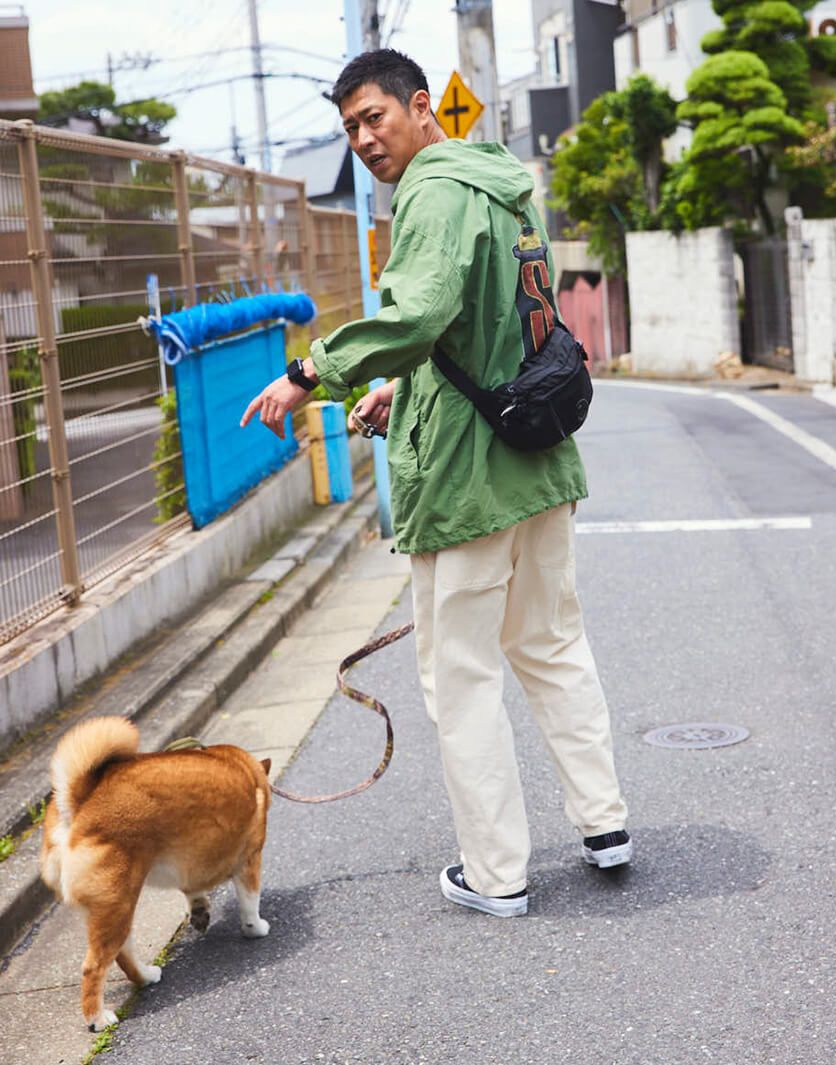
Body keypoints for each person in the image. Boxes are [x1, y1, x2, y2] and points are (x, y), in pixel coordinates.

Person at [241, 49, 630, 918]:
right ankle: (605, 823)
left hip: (469, 480)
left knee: (461, 676)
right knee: (551, 643)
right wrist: (399, 386)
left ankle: (496, 874)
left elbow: (415, 313)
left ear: (423, 107)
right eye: (349, 129)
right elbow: (480, 324)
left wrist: (314, 370)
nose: (364, 139)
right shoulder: (498, 181)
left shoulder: (433, 191)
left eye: (374, 117)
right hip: (537, 453)